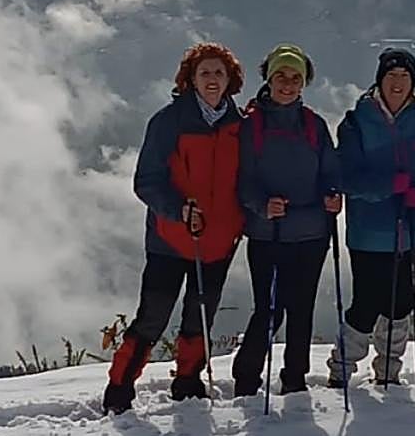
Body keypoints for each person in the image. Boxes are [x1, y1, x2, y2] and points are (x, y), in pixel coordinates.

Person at [103, 42, 246, 415]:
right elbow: (147, 181)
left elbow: (247, 180)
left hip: (217, 241)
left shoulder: (239, 127)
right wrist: (178, 210)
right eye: (205, 73)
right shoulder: (168, 122)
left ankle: (188, 381)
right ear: (190, 79)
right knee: (153, 315)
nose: (212, 80)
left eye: (219, 72)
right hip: (170, 238)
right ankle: (119, 387)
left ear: (230, 79)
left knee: (200, 315)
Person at [327, 48, 415, 387]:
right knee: (365, 304)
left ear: (413, 82)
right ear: (380, 79)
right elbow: (346, 175)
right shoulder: (355, 121)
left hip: (413, 228)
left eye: (404, 77)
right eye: (392, 76)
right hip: (369, 230)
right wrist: (388, 186)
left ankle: (389, 373)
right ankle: (342, 369)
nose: (398, 82)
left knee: (401, 304)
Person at [231, 44, 343, 396]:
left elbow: (330, 170)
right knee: (269, 309)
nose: (288, 84)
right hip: (269, 233)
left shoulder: (313, 124)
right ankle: (247, 378)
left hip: (310, 233)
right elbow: (242, 179)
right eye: (282, 76)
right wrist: (262, 205)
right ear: (269, 77)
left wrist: (333, 194)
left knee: (301, 309)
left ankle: (294, 379)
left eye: (295, 78)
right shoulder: (251, 125)